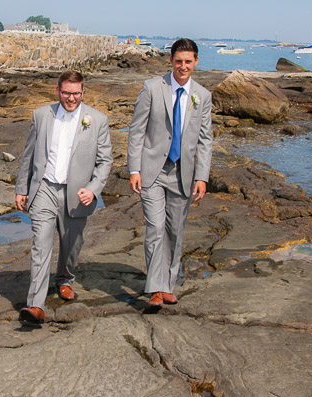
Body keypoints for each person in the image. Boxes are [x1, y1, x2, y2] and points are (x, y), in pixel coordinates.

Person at [14, 70, 113, 323]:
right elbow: (29, 154)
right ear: (58, 91)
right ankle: (35, 304)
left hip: (78, 194)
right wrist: (21, 189)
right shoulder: (41, 115)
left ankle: (65, 278)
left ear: (83, 92)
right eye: (67, 92)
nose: (71, 98)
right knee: (41, 244)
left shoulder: (98, 120)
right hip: (45, 189)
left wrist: (93, 188)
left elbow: (105, 162)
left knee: (72, 244)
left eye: (76, 93)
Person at [126, 38, 213, 308]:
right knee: (154, 228)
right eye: (178, 61)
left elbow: (205, 140)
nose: (183, 66)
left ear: (196, 62)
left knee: (174, 231)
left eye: (188, 62)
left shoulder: (203, 96)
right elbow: (137, 130)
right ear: (171, 61)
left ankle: (167, 285)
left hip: (183, 174)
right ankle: (154, 289)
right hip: (152, 171)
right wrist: (134, 169)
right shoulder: (152, 88)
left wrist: (202, 176)